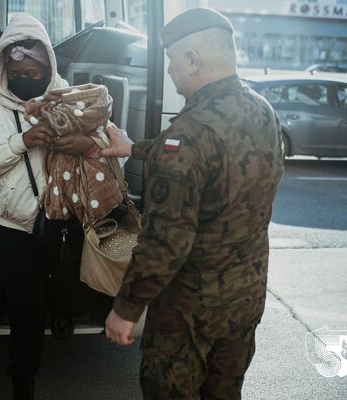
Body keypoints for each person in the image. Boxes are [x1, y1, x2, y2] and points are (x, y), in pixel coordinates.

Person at [102, 8, 284, 400]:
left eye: (171, 60)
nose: (169, 71)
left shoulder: (189, 133)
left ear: (192, 59)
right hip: (246, 299)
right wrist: (135, 148)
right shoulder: (261, 111)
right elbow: (216, 159)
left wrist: (127, 308)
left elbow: (166, 243)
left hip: (189, 314)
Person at [0, 13, 101, 400]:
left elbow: (112, 153)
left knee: (65, 283)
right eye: (16, 69)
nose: (25, 76)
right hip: (11, 226)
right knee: (25, 309)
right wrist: (22, 140)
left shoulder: (75, 101)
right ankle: (23, 380)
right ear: (2, 68)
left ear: (48, 66)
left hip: (63, 220)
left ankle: (62, 313)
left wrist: (88, 145)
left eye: (33, 69)